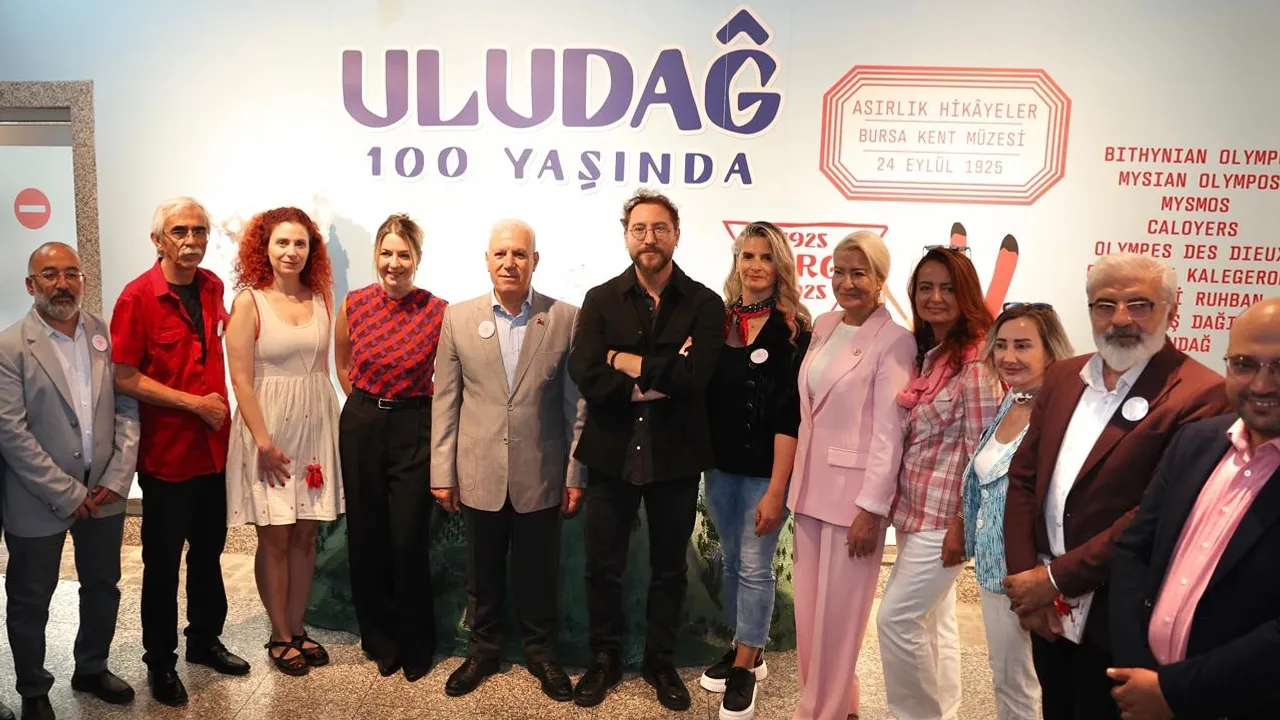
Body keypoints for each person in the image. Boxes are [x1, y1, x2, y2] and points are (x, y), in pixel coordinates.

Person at [1002, 254, 1230, 719]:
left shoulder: (1202, 394)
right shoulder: (1064, 376)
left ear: (1171, 311)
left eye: (1139, 305)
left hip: (1120, 615)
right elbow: (1024, 479)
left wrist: (1055, 579)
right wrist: (1028, 585)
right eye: (1105, 305)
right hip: (1046, 614)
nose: (1121, 319)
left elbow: (1156, 514)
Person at [567, 188, 725, 711]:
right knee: (603, 567)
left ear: (676, 235)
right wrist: (660, 373)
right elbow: (584, 371)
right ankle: (605, 659)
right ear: (626, 236)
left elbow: (696, 377)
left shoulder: (704, 303)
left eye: (659, 228)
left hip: (675, 457)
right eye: (639, 228)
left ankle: (660, 662)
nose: (649, 237)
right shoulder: (600, 299)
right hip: (610, 454)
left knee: (670, 569)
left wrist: (623, 359)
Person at [429, 219, 587, 702]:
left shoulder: (565, 318)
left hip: (541, 471)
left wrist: (575, 472)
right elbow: (446, 401)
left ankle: (542, 653)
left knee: (540, 573)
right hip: (479, 471)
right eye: (500, 254)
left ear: (534, 261)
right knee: (482, 573)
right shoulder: (458, 318)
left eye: (519, 254)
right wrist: (442, 471)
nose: (509, 263)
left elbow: (576, 405)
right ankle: (482, 651)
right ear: (487, 260)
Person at [1108, 297, 1280, 720]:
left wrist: (1173, 693)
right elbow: (1135, 550)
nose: (1262, 385)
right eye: (1244, 364)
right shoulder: (1196, 441)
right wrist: (1138, 673)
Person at [111, 197, 251, 707]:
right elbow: (123, 376)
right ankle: (160, 661)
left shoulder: (212, 286)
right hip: (168, 459)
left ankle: (204, 640)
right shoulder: (136, 298)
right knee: (163, 564)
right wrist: (193, 404)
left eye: (199, 231)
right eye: (179, 232)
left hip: (213, 453)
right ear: (158, 240)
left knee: (209, 555)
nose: (191, 240)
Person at [0, 243, 139, 720]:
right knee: (30, 598)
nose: (62, 284)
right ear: (30, 284)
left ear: (83, 280)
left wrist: (118, 476)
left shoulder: (106, 335)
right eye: (50, 274)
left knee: (102, 585)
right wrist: (65, 491)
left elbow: (128, 408)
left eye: (71, 274)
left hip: (104, 492)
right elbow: (10, 431)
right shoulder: (10, 347)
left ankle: (92, 668)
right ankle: (33, 689)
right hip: (35, 497)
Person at [788, 231, 915, 720]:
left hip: (854, 503)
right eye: (839, 271)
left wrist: (872, 507)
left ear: (880, 279)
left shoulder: (895, 340)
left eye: (858, 273)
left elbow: (890, 431)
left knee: (839, 622)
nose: (846, 282)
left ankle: (822, 711)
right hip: (807, 490)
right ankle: (832, 704)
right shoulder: (824, 324)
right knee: (809, 618)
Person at [877, 245, 1003, 720]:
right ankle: (945, 712)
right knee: (935, 623)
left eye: (947, 288)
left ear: (966, 294)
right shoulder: (932, 354)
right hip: (916, 510)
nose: (935, 297)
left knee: (896, 619)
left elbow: (985, 454)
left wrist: (962, 524)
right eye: (926, 287)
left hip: (944, 518)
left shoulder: (976, 362)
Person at [699, 221, 812, 720]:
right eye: (748, 256)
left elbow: (792, 416)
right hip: (719, 469)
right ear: (737, 262)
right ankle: (746, 645)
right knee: (730, 562)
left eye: (767, 257)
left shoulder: (794, 331)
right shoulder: (719, 320)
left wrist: (778, 489)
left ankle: (745, 666)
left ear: (780, 265)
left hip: (766, 474)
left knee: (753, 566)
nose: (756, 266)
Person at [225, 208, 343, 676]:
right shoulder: (248, 302)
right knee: (274, 535)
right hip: (269, 432)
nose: (291, 252)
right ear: (264, 248)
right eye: (282, 243)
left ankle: (298, 627)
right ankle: (278, 634)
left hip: (315, 428)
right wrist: (263, 442)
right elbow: (241, 380)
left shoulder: (322, 297)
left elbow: (327, 367)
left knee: (305, 533)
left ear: (311, 250)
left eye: (300, 244)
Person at [334, 213, 447, 681]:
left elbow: (449, 376)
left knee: (407, 537)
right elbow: (343, 363)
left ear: (417, 258)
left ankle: (416, 643)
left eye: (403, 254)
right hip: (362, 422)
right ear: (375, 256)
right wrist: (367, 406)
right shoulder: (354, 303)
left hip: (414, 423)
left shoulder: (438, 310)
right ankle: (380, 640)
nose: (394, 263)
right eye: (386, 253)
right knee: (367, 535)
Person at [960, 303, 1074, 720]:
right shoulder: (1012, 399)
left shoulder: (1061, 411)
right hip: (997, 569)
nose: (1009, 356)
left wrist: (1047, 575)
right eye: (1001, 345)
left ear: (1051, 352)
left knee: (1035, 684)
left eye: (1023, 345)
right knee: (1008, 677)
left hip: (1037, 574)